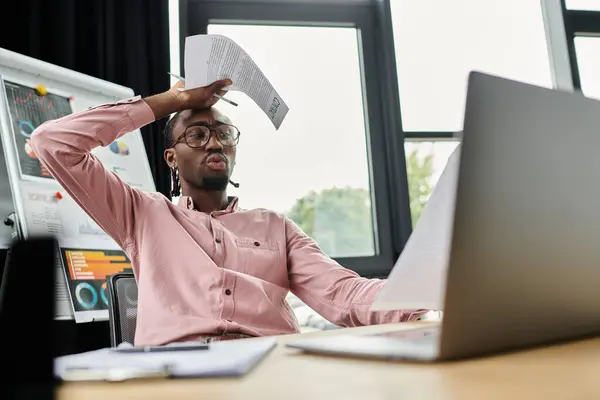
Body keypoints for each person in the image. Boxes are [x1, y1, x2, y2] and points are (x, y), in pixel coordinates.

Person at [30, 79, 428, 346]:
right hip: (175, 375)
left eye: (224, 134)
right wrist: (174, 101)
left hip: (269, 368)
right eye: (197, 135)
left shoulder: (276, 227)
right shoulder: (140, 213)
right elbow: (52, 142)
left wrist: (419, 304)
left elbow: (343, 294)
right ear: (172, 157)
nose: (214, 143)